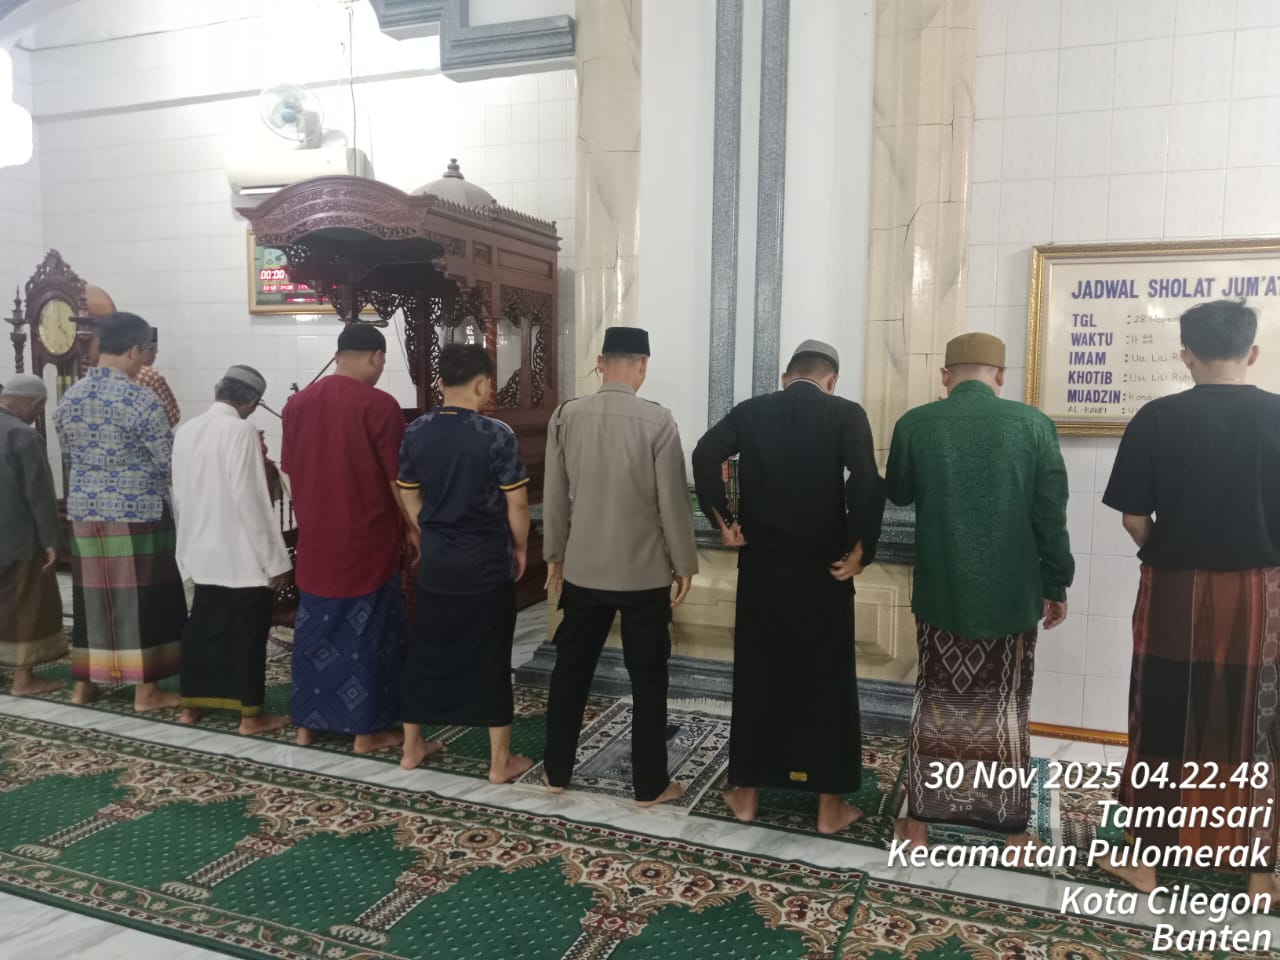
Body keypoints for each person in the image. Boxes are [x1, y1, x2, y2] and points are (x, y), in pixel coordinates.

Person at [1100, 300, 1279, 899]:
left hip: (1175, 590)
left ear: (1185, 355)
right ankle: (1259, 872)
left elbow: (1133, 519)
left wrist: (1167, 551)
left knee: (1162, 717)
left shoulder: (1157, 418)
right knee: (1258, 723)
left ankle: (1146, 863)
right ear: (1252, 352)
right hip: (1262, 595)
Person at [884, 332, 1072, 849]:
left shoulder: (916, 423)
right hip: (1013, 597)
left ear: (945, 376)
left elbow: (898, 491)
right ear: (1001, 376)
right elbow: (1051, 517)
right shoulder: (1034, 425)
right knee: (1005, 706)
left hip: (941, 592)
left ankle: (918, 824)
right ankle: (1013, 831)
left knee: (937, 701)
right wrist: (1056, 582)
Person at [693, 339, 884, 834]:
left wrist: (723, 520)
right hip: (824, 574)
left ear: (785, 378)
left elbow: (704, 453)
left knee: (760, 676)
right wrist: (860, 548)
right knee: (827, 680)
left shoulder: (752, 411)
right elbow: (866, 479)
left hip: (763, 571)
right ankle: (828, 809)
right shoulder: (845, 413)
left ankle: (746, 796)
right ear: (831, 380)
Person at [542, 326, 698, 807]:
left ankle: (556, 772)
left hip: (583, 571)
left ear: (600, 361)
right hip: (643, 575)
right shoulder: (658, 420)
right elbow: (673, 502)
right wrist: (684, 563)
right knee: (648, 678)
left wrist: (555, 557)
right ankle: (650, 785)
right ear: (643, 365)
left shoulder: (566, 415)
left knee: (570, 670)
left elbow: (554, 497)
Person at [396, 343, 532, 782]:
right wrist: (520, 547)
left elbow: (408, 494)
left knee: (426, 651)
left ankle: (412, 748)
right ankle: (498, 763)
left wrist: (428, 531)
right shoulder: (496, 435)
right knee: (491, 655)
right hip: (485, 564)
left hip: (437, 564)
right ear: (481, 384)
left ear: (440, 383)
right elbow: (517, 505)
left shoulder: (416, 431)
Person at [281, 323, 414, 754]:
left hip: (317, 540)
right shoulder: (380, 405)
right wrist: (415, 528)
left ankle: (307, 725)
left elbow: (289, 471)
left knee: (314, 632)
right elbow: (398, 481)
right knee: (368, 635)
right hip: (367, 542)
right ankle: (365, 733)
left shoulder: (297, 405)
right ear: (376, 357)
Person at [54, 311, 186, 711]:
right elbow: (167, 460)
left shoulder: (71, 397)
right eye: (145, 353)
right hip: (137, 512)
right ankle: (147, 692)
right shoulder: (140, 399)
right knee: (142, 602)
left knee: (92, 601)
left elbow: (68, 453)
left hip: (85, 512)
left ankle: (84, 686)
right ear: (134, 350)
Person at [172, 365, 293, 735]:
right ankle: (251, 717)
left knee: (203, 632)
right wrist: (275, 560)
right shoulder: (239, 431)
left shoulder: (186, 430)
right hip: (240, 557)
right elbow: (251, 500)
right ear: (251, 401)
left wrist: (184, 551)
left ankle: (192, 707)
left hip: (200, 551)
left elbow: (179, 496)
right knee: (246, 636)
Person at [0, 374, 66, 696]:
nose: (38, 414)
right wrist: (52, 540)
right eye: (39, 407)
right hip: (19, 539)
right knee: (25, 605)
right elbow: (39, 495)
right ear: (30, 402)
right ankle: (23, 679)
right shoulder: (23, 436)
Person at [135, 327, 180, 428]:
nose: (155, 354)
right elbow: (172, 416)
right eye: (154, 350)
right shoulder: (151, 376)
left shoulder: (115, 373)